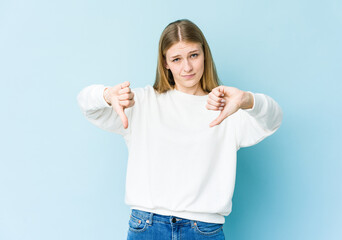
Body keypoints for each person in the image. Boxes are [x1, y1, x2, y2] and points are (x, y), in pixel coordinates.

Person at [77, 19, 283, 240]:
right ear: (165, 62)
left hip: (204, 229)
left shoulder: (227, 108)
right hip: (147, 226)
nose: (187, 67)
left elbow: (273, 119)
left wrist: (247, 99)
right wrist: (107, 95)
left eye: (194, 55)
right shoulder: (143, 102)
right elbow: (86, 104)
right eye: (176, 59)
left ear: (205, 54)